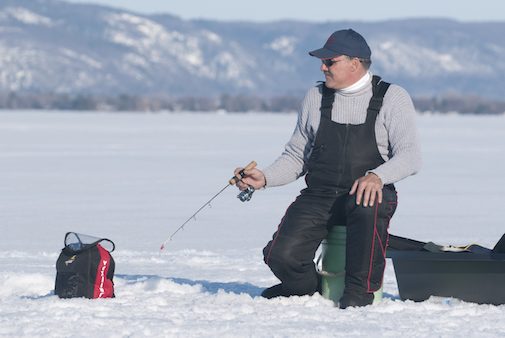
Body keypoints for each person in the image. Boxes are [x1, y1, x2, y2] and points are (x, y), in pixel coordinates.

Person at [235, 28, 421, 309]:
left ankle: (360, 293)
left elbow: (410, 156)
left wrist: (377, 176)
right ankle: (305, 288)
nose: (323, 67)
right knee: (280, 256)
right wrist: (265, 178)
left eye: (330, 62)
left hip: (367, 195)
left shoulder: (392, 97)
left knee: (367, 204)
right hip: (320, 194)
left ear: (354, 64)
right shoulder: (315, 97)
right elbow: (298, 155)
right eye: (322, 62)